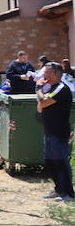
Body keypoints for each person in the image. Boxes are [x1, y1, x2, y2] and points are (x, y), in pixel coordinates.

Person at [37, 63, 73, 201]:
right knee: (51, 162)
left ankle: (68, 193)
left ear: (55, 73)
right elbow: (40, 106)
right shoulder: (51, 88)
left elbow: (43, 102)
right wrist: (41, 93)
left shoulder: (61, 88)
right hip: (49, 131)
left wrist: (39, 88)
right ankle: (59, 190)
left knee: (61, 162)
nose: (43, 75)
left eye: (46, 72)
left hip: (59, 132)